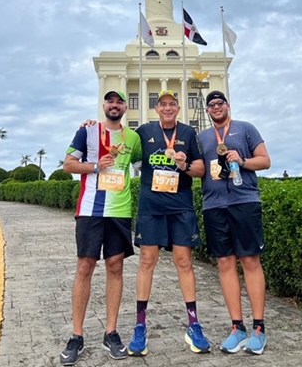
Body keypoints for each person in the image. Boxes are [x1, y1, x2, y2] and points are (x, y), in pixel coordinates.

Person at [60, 91, 142, 364]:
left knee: (115, 267)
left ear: (125, 108)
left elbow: (143, 165)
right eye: (111, 101)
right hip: (90, 210)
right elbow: (68, 165)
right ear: (104, 105)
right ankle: (77, 335)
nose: (115, 105)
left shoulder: (133, 138)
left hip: (119, 211)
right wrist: (95, 166)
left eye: (120, 102)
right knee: (85, 267)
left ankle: (111, 332)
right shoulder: (87, 132)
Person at [128, 90, 211, 356]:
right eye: (162, 104)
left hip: (180, 207)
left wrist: (185, 164)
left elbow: (200, 170)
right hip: (152, 208)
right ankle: (140, 326)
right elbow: (120, 139)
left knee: (184, 262)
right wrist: (92, 126)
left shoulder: (187, 133)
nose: (167, 108)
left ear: (177, 108)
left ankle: (194, 324)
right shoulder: (143, 131)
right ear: (156, 108)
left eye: (171, 104)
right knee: (146, 262)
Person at [198, 90, 271, 355]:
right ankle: (237, 327)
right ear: (207, 111)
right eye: (212, 105)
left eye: (220, 103)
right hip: (214, 205)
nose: (216, 107)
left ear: (228, 106)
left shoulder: (245, 129)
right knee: (225, 263)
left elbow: (265, 160)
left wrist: (243, 160)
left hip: (244, 201)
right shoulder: (202, 137)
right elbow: (199, 170)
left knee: (250, 261)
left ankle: (259, 328)